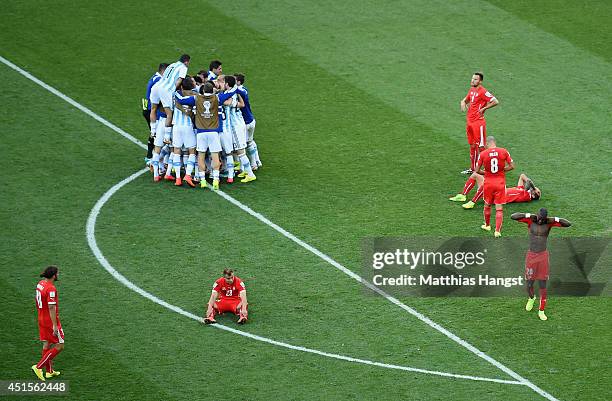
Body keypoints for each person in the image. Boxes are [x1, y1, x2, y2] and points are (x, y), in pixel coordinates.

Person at [511, 208, 571, 321]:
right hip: (531, 256)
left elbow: (568, 224)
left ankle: (541, 310)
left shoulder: (549, 223)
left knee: (542, 285)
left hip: (543, 256)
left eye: (542, 219)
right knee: (529, 283)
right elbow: (513, 216)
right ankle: (531, 298)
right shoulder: (531, 221)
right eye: (538, 218)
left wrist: (555, 219)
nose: (539, 221)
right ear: (536, 215)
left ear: (545, 218)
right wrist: (528, 215)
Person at [174, 82, 236, 190]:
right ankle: (216, 180)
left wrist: (175, 91)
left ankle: (202, 180)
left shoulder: (196, 98)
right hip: (214, 132)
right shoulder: (217, 98)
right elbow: (231, 93)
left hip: (201, 132)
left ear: (203, 91)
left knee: (201, 156)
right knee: (215, 156)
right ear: (212, 90)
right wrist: (236, 86)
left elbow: (181, 100)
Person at [149, 54, 191, 178]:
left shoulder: (172, 64)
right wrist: (173, 88)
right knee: (170, 113)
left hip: (157, 87)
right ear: (187, 62)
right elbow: (179, 80)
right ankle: (167, 137)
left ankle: (153, 130)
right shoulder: (183, 67)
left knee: (154, 108)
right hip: (166, 89)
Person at [460, 72, 499, 174]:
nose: (473, 81)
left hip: (478, 123)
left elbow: (495, 101)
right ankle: (473, 169)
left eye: (475, 79)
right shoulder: (472, 90)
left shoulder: (483, 91)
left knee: (481, 147)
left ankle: (489, 170)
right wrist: (463, 102)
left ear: (480, 81)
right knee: (472, 146)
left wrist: (484, 108)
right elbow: (466, 99)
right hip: (470, 122)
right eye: (472, 79)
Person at [475, 136, 514, 237]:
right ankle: (497, 231)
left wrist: (486, 172)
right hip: (500, 183)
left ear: (487, 143)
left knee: (487, 205)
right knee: (499, 208)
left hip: (488, 183)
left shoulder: (483, 154)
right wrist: (502, 170)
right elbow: (512, 166)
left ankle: (487, 225)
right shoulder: (504, 151)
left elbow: (477, 170)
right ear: (494, 142)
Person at [32, 266, 64, 381]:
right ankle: (38, 367)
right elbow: (51, 307)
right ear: (54, 275)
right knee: (60, 345)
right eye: (57, 273)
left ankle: (49, 371)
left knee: (47, 344)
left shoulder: (40, 284)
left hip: (41, 317)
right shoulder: (51, 289)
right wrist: (55, 325)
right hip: (50, 321)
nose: (58, 275)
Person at [453, 173, 541, 209]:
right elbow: (522, 176)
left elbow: (529, 181)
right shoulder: (522, 190)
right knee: (475, 175)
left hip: (496, 197)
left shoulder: (526, 196)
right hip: (495, 192)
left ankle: (472, 202)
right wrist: (533, 188)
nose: (537, 188)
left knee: (489, 183)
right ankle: (463, 195)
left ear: (534, 195)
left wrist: (533, 188)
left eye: (538, 191)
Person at [170, 76, 198, 187]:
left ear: (181, 86)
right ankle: (187, 175)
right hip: (187, 126)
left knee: (176, 150)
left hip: (176, 126)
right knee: (192, 151)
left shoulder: (175, 94)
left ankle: (177, 178)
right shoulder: (195, 96)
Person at [142, 63, 168, 165]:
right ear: (164, 71)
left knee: (154, 132)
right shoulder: (159, 80)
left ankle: (151, 155)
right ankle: (150, 156)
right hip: (151, 110)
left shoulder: (155, 77)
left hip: (148, 108)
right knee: (156, 132)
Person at [236, 73, 262, 169]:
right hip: (251, 119)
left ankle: (251, 165)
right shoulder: (244, 89)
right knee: (250, 141)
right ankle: (257, 161)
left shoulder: (240, 91)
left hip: (246, 122)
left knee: (243, 145)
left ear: (238, 82)